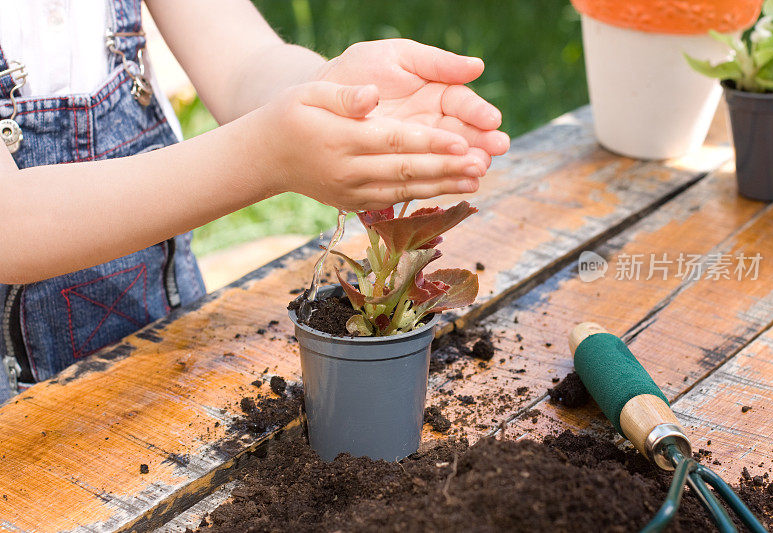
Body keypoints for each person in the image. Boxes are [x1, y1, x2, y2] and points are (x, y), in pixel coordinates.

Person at [0, 0, 510, 401]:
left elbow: (244, 63)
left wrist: (332, 93)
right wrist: (269, 156)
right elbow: (13, 226)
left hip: (165, 347)